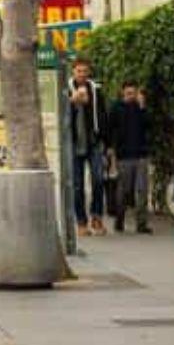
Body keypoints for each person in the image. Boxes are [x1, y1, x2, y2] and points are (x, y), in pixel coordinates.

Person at [105, 82, 153, 234]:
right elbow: (109, 129)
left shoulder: (140, 108)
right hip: (123, 155)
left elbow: (148, 125)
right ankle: (119, 220)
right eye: (128, 93)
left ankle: (141, 223)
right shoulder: (116, 108)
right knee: (123, 191)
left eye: (134, 93)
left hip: (141, 154)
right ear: (123, 92)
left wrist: (142, 106)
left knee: (142, 190)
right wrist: (110, 149)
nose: (131, 96)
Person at [68, 59, 108, 235]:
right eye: (79, 71)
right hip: (75, 143)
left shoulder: (96, 90)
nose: (82, 74)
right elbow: (60, 113)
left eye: (85, 71)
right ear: (73, 72)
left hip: (94, 142)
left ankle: (97, 217)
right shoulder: (66, 89)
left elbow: (103, 116)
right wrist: (72, 101)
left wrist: (106, 142)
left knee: (98, 180)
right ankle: (81, 222)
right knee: (77, 185)